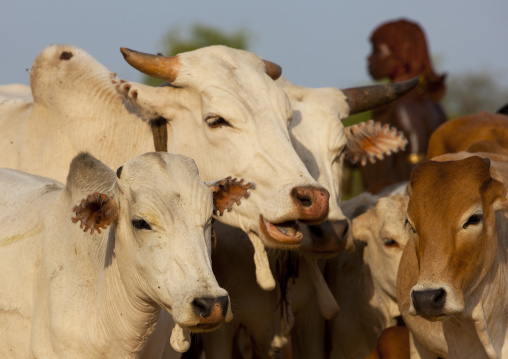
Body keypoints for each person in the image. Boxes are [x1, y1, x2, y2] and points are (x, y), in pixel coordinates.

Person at [359, 18, 448, 194]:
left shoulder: (403, 106)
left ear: (401, 55)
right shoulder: (433, 104)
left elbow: (415, 162)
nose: (369, 57)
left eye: (377, 51)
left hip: (398, 203)